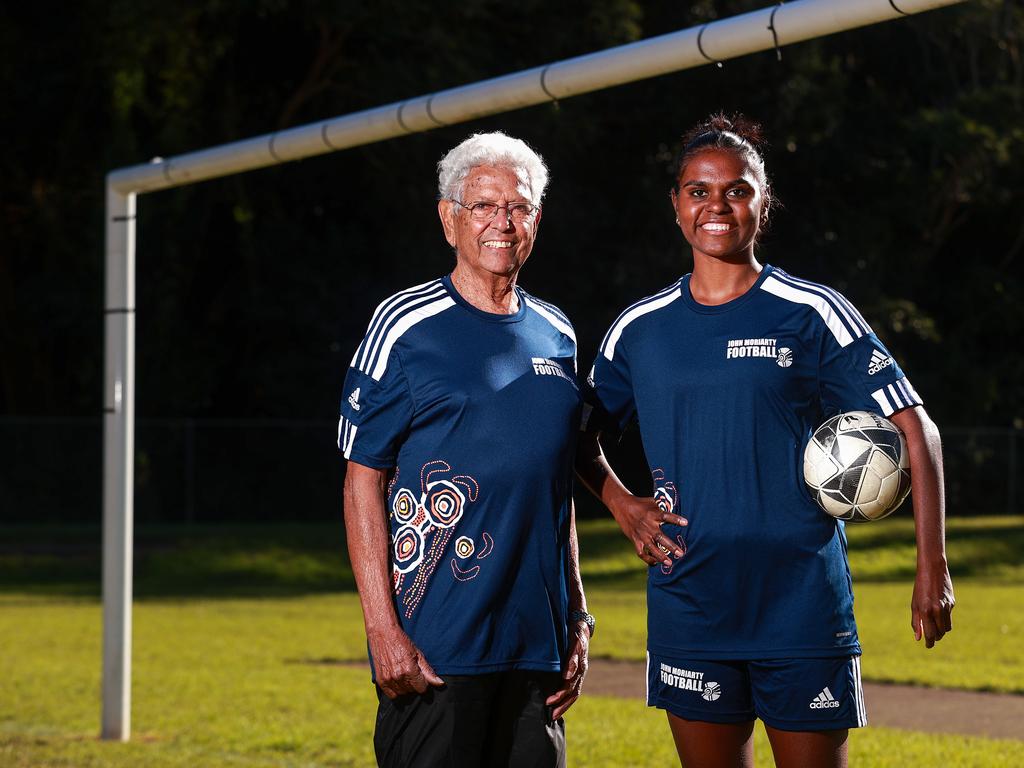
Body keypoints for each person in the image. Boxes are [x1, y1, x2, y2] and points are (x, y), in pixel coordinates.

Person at [576, 114, 954, 768]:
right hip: (690, 602)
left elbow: (916, 428)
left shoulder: (810, 310)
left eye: (737, 190)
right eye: (698, 191)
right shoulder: (641, 328)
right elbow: (573, 440)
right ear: (676, 204)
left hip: (801, 606)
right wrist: (622, 504)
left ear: (764, 201)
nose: (716, 206)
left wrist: (933, 569)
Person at [338, 131, 592, 768]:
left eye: (520, 206)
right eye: (483, 205)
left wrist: (578, 616)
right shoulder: (404, 327)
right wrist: (381, 631)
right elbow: (362, 478)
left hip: (538, 647)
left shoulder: (557, 332)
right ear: (449, 218)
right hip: (436, 648)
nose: (502, 222)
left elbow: (553, 486)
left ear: (537, 218)